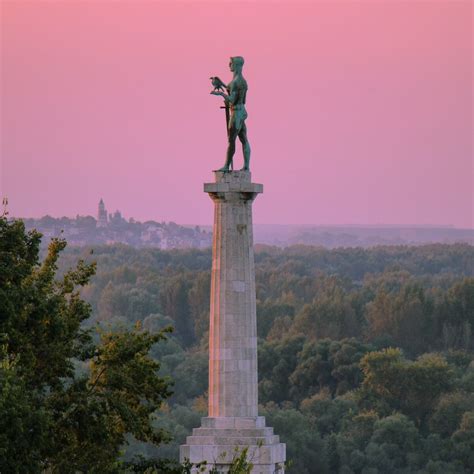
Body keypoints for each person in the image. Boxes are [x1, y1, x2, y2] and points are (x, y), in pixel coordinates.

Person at [210, 56, 251, 171]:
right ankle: (246, 166)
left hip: (236, 113)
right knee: (244, 139)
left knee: (231, 140)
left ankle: (226, 166)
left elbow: (232, 99)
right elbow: (241, 99)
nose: (229, 65)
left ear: (237, 65)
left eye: (231, 63)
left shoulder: (235, 82)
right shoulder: (242, 81)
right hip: (241, 111)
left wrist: (220, 94)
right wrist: (221, 84)